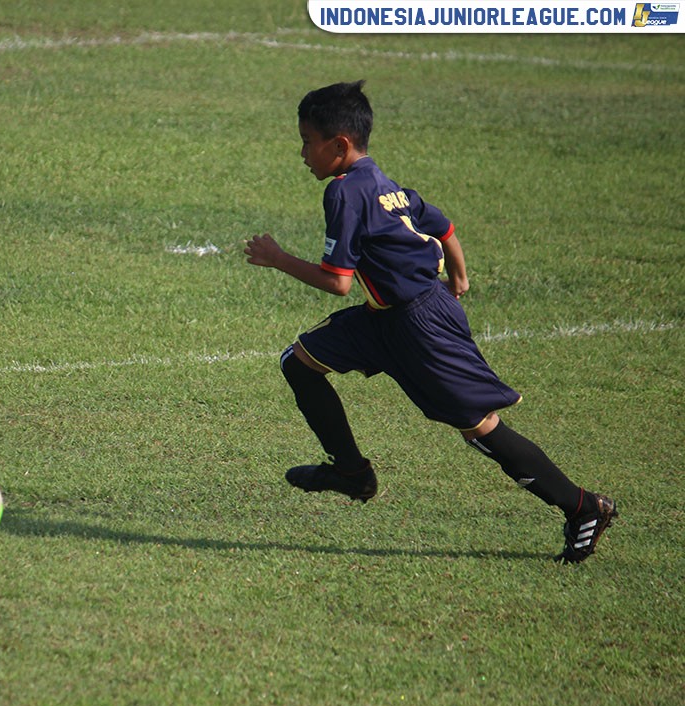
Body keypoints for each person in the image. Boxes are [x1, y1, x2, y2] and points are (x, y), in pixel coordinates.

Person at [243, 81, 616, 563]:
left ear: (339, 145)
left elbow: (337, 281)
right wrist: (458, 275)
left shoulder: (345, 193)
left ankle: (582, 507)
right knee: (299, 362)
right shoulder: (386, 186)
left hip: (420, 327)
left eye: (307, 141)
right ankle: (351, 472)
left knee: (479, 428)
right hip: (385, 319)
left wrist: (277, 257)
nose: (302, 153)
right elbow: (442, 225)